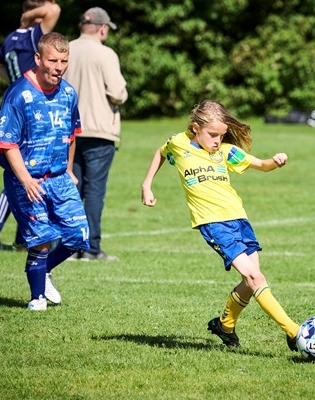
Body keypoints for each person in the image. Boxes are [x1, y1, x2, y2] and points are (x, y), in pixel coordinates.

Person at [141, 100, 300, 350]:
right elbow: (161, 152)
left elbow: (260, 164)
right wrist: (147, 184)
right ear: (195, 128)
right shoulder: (179, 143)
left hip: (239, 218)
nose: (217, 140)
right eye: (212, 134)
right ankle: (294, 332)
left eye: (221, 135)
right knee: (254, 276)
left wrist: (275, 161)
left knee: (251, 283)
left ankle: (225, 325)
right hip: (213, 223)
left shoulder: (225, 152)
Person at [0, 32, 90, 310]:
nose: (59, 67)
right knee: (41, 239)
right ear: (38, 58)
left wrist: (70, 169)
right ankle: (37, 298)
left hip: (59, 178)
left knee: (79, 234)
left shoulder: (69, 92)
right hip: (28, 180)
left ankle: (44, 270)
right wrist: (25, 180)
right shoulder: (18, 94)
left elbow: (72, 134)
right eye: (53, 60)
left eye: (64, 61)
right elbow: (7, 143)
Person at [0, 0, 61, 252]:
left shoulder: (11, 37)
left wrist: (13, 82)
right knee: (22, 175)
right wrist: (30, 16)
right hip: (30, 107)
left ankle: (21, 239)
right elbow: (54, 11)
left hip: (17, 98)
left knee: (29, 171)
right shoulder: (34, 33)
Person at [63, 7, 128, 261]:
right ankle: (90, 248)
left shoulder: (65, 49)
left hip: (69, 132)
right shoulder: (106, 53)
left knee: (71, 190)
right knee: (94, 191)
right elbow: (118, 93)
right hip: (99, 131)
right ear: (102, 28)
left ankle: (69, 247)